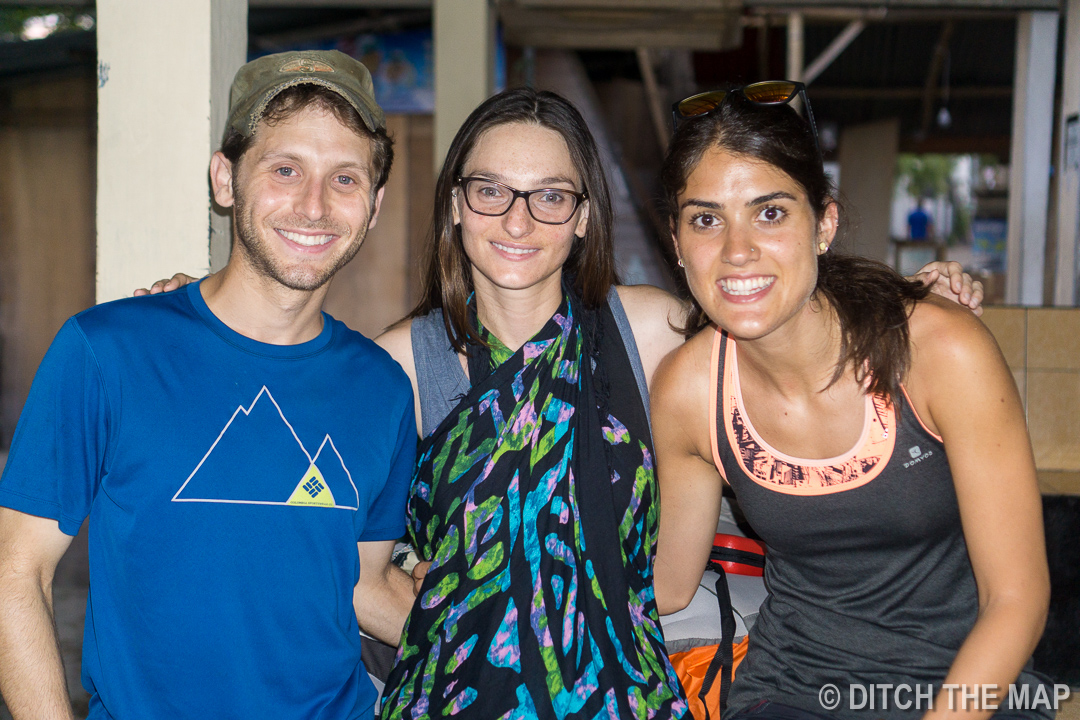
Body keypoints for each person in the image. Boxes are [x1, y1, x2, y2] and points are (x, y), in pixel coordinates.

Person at [138, 87, 983, 719]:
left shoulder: (650, 332)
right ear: (456, 206)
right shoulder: (396, 367)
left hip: (628, 691)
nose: (518, 220)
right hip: (451, 694)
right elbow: (353, 574)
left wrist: (907, 298)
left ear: (583, 217)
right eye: (490, 191)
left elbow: (771, 304)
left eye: (550, 195)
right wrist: (204, 316)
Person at [0, 50, 417, 719]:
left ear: (373, 207)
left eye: (345, 178)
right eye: (285, 169)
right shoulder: (107, 352)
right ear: (225, 180)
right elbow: (16, 572)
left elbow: (363, 584)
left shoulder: (383, 390)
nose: (314, 205)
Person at [650, 85, 1050, 720]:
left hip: (967, 686)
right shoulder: (689, 390)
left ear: (824, 225)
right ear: (676, 242)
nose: (736, 249)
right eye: (705, 219)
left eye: (770, 212)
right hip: (791, 690)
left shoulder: (937, 351)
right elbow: (669, 585)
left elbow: (1017, 599)